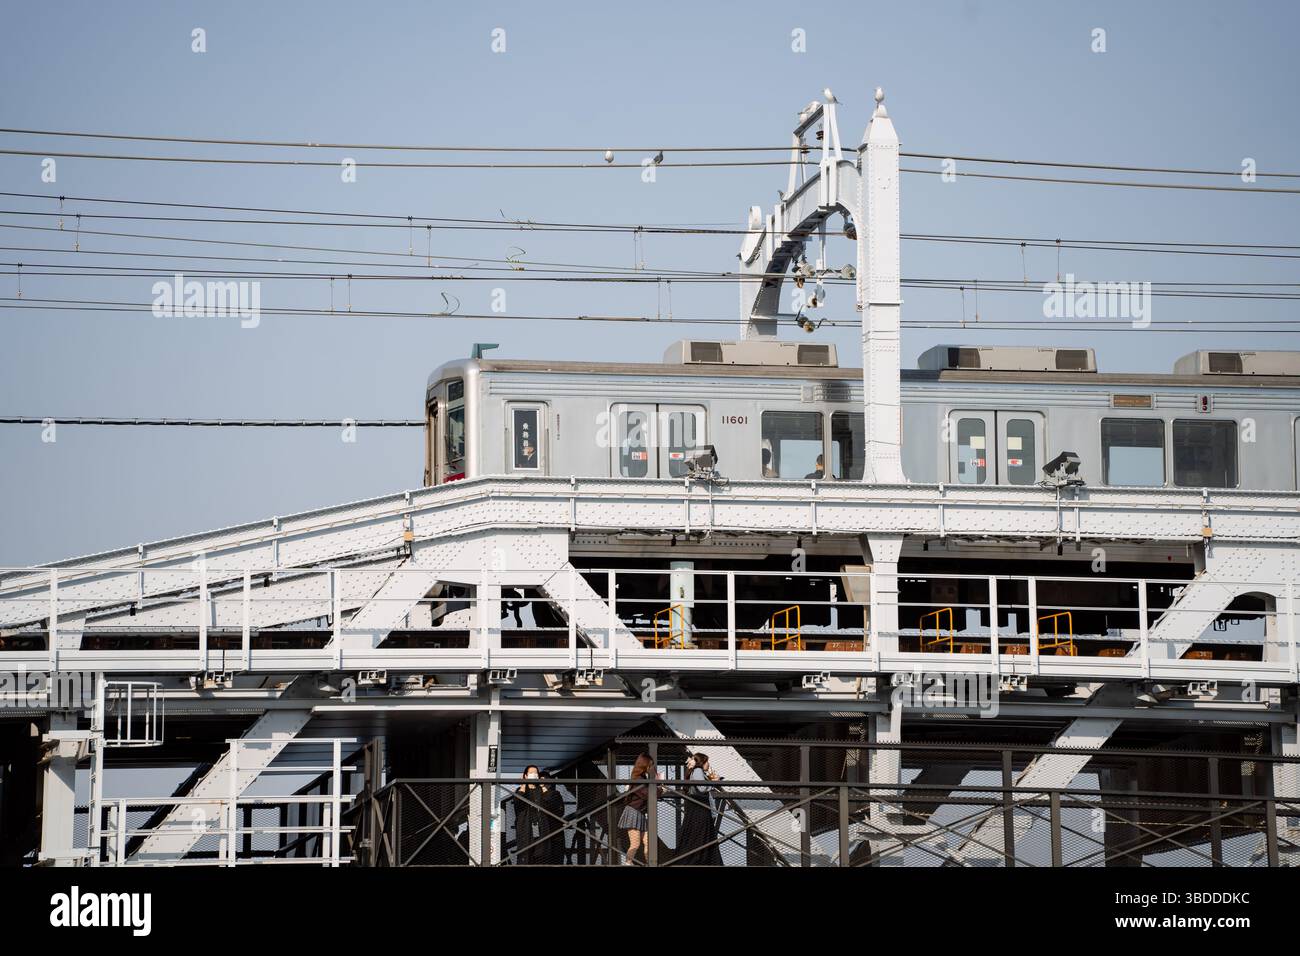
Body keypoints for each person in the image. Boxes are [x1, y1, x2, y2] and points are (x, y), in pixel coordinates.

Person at [675, 752, 724, 866]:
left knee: (697, 836)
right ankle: (702, 861)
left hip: (697, 809)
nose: (708, 764)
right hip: (700, 809)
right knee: (702, 836)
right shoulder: (698, 770)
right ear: (702, 762)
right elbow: (702, 788)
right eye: (707, 761)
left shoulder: (696, 771)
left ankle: (697, 860)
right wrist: (714, 783)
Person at [619, 753, 660, 865]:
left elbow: (649, 793)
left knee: (648, 841)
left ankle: (649, 864)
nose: (651, 768)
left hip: (640, 814)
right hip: (633, 813)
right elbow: (647, 794)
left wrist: (657, 784)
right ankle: (628, 863)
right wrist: (660, 788)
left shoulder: (641, 778)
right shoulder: (638, 779)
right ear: (644, 765)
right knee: (635, 844)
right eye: (650, 765)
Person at [513, 765, 549, 864]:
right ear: (525, 775)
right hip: (525, 829)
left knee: (540, 856)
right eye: (531, 773)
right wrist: (523, 785)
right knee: (525, 857)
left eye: (536, 773)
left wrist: (543, 787)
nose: (534, 775)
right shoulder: (521, 790)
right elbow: (518, 802)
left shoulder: (540, 790)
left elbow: (550, 803)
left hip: (540, 828)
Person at [539, 771, 568, 864]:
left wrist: (545, 791)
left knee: (556, 858)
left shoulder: (555, 794)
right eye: (541, 781)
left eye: (545, 781)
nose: (543, 784)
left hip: (555, 832)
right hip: (542, 833)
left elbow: (560, 812)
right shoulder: (536, 796)